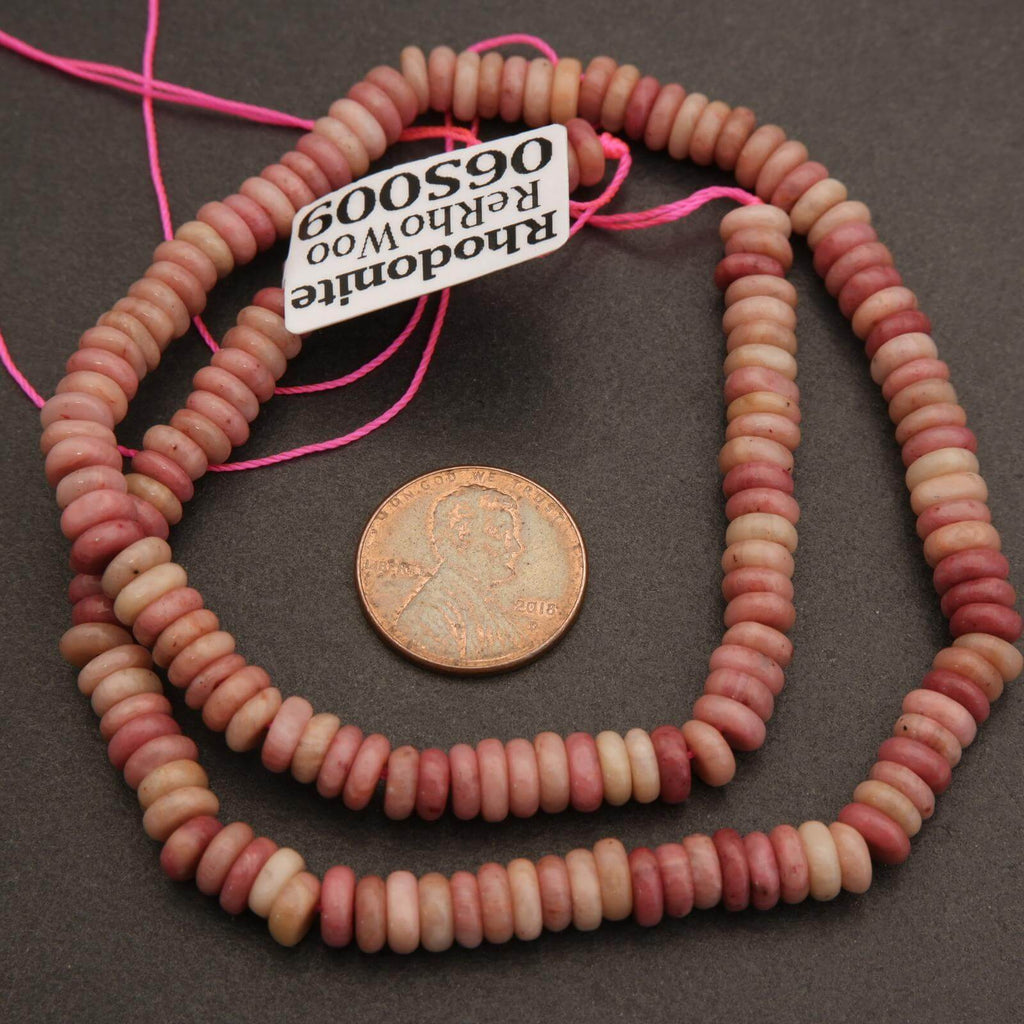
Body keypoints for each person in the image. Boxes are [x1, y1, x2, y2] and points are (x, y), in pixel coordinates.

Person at [396, 484, 525, 663]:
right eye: (501, 533)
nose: (514, 547)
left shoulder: (477, 600)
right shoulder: (429, 616)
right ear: (462, 536)